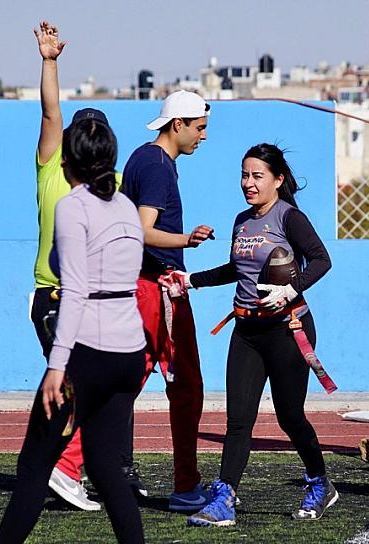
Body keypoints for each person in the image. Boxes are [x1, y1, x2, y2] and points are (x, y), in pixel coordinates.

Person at [0, 117, 147, 543]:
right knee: (104, 464)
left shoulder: (73, 206)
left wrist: (57, 366)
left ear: (69, 162)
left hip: (89, 354)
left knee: (34, 466)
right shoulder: (125, 206)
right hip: (129, 353)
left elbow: (77, 290)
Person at [180, 143, 336, 527]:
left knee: (290, 417)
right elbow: (236, 269)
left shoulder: (289, 218)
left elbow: (322, 260)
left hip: (287, 329)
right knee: (238, 420)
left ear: (278, 180)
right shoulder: (242, 220)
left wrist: (291, 289)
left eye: (257, 176)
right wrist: (191, 280)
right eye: (244, 175)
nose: (248, 183)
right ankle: (225, 498)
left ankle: (320, 483)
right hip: (246, 331)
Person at [30, 20, 122, 511]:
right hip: (55, 297)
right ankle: (63, 469)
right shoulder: (52, 165)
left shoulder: (114, 184)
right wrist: (49, 62)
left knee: (87, 388)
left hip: (93, 300)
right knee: (82, 389)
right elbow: (50, 111)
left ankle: (65, 467)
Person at [120, 90, 215, 510]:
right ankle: (186, 486)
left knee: (121, 384)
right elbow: (142, 230)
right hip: (159, 290)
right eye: (200, 128)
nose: (203, 136)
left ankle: (68, 465)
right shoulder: (159, 165)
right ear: (178, 124)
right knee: (186, 387)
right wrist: (186, 240)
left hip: (142, 286)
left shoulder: (143, 158)